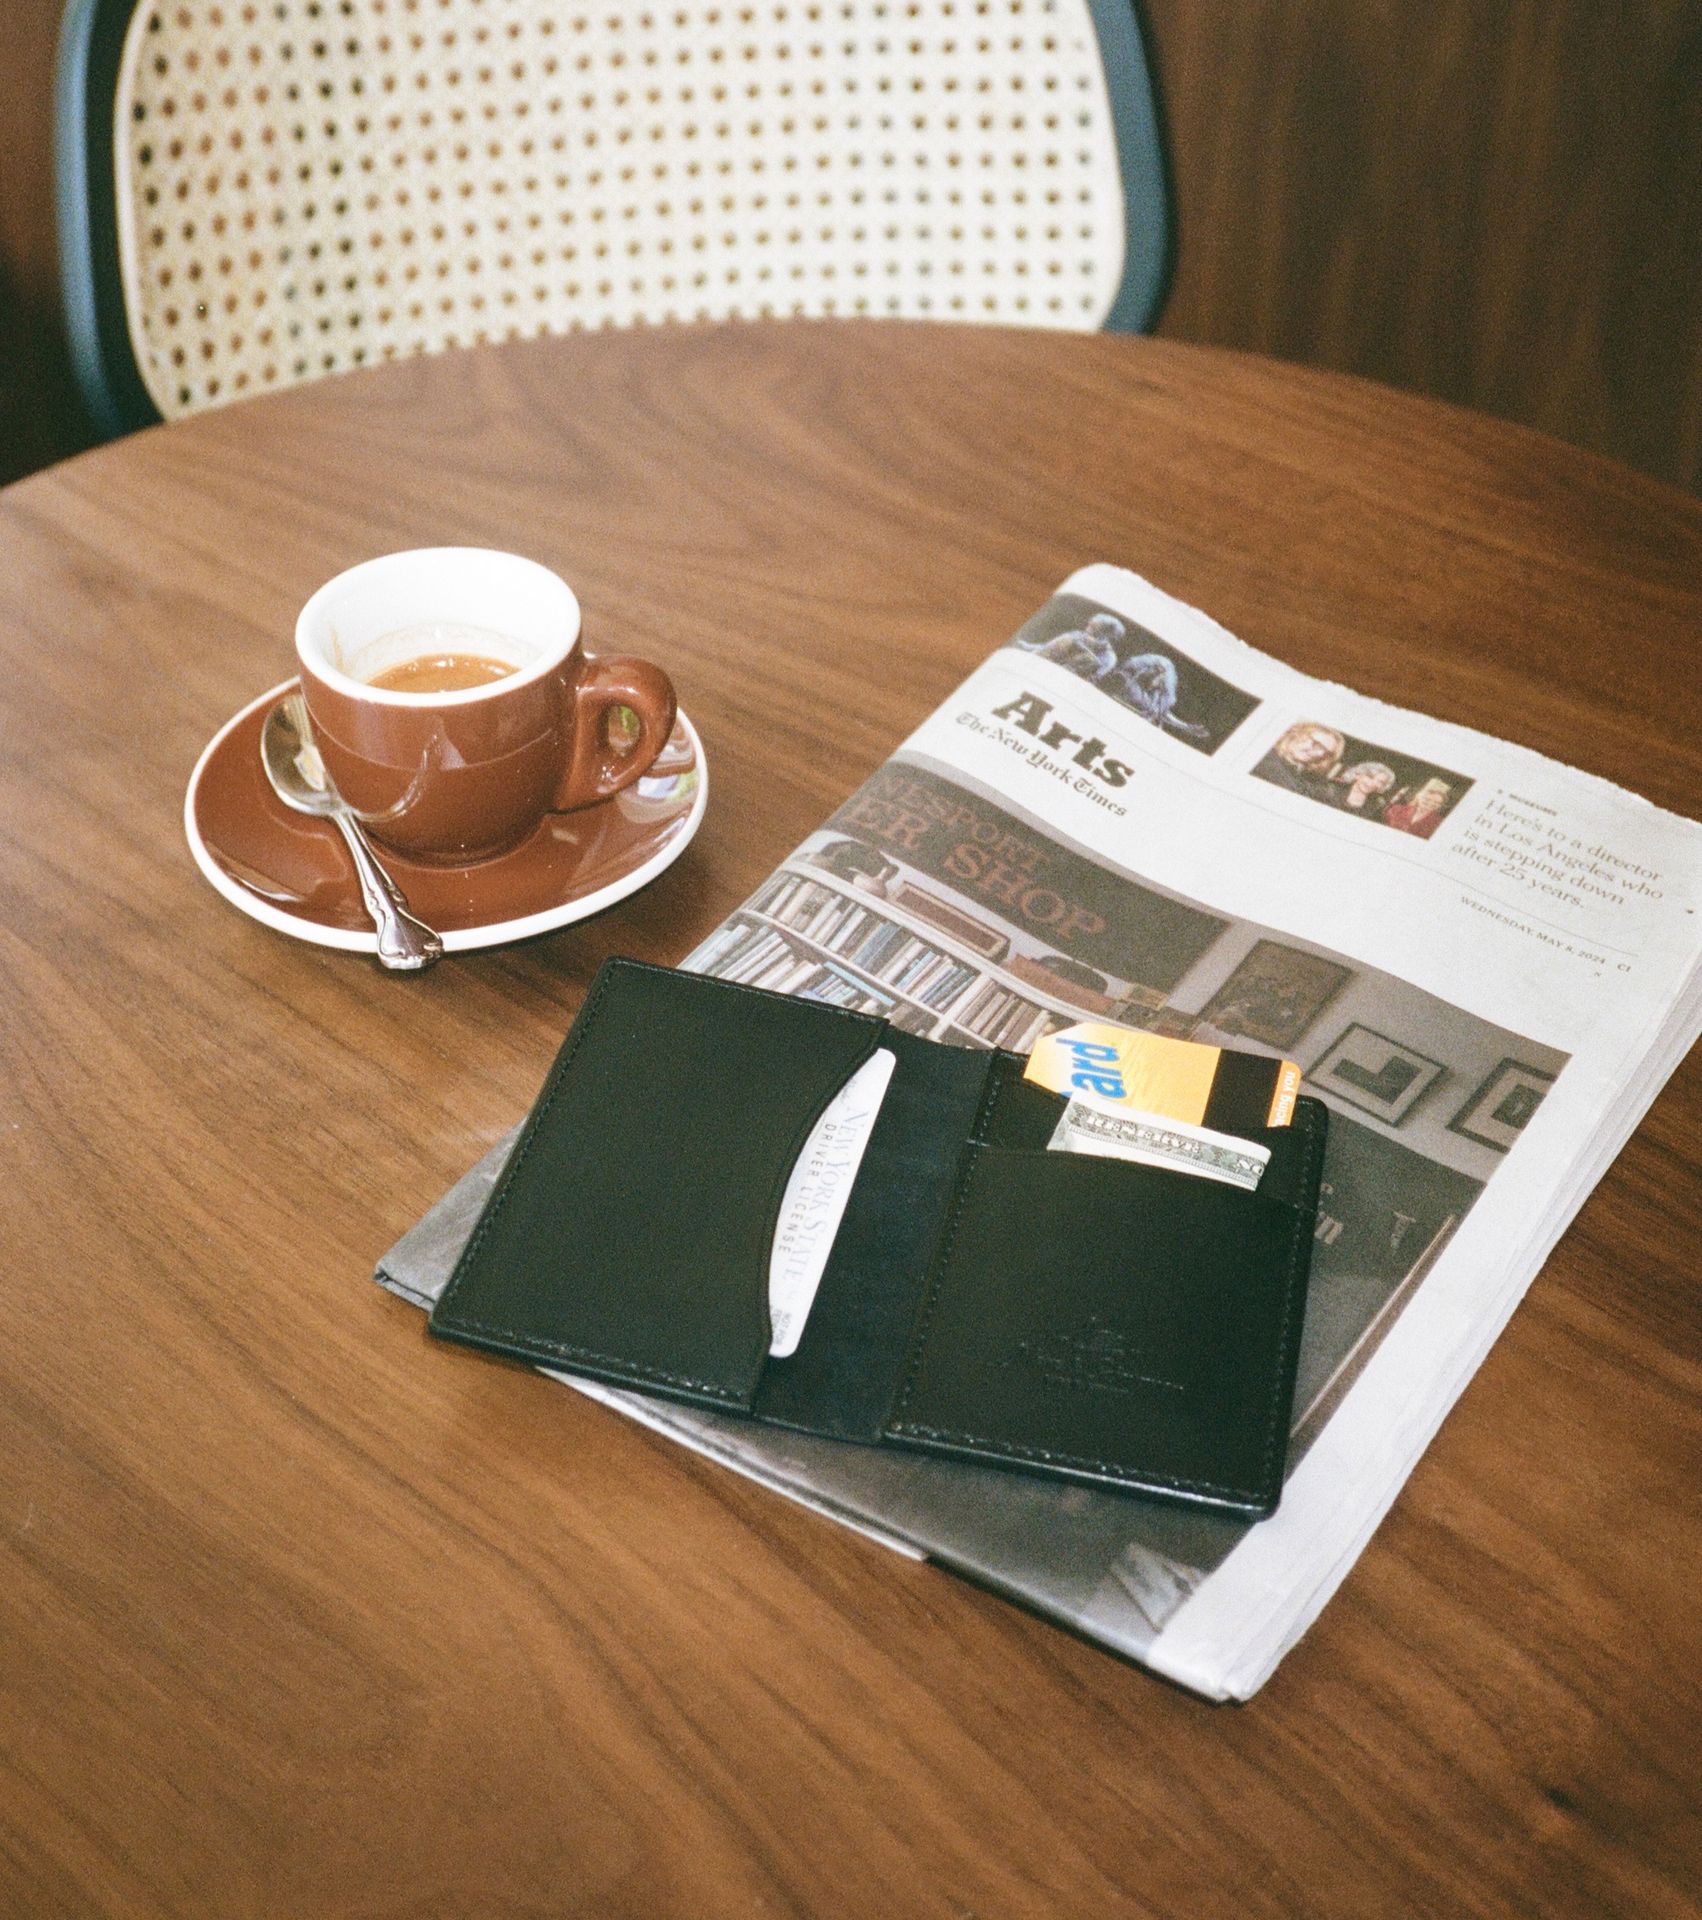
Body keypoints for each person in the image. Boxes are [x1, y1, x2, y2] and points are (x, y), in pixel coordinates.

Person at [1100, 651, 1211, 744]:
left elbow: (1162, 710)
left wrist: (1186, 727)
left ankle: (1187, 727)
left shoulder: (1165, 687)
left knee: (1152, 706)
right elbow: (1129, 666)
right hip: (1130, 677)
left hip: (1142, 687)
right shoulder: (1144, 665)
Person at [1019, 610, 1125, 680]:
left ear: (1104, 635)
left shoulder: (1109, 657)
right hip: (1043, 666)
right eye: (1089, 626)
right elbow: (1047, 647)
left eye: (1093, 629)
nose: (1087, 630)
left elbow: (1092, 679)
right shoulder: (1078, 635)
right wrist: (1025, 647)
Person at [1253, 722, 1345, 800]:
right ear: (1297, 733)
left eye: (1326, 753)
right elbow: (1293, 790)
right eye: (1317, 744)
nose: (1319, 754)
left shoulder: (1297, 770)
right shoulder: (1266, 759)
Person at [1384, 776, 1454, 838]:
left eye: (1436, 803)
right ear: (1419, 796)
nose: (1430, 804)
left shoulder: (1440, 824)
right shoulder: (1396, 810)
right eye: (1427, 799)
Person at [1330, 760, 1398, 819]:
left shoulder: (1375, 807)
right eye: (1370, 777)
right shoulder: (1334, 788)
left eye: (1380, 782)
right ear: (1357, 775)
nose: (1372, 783)